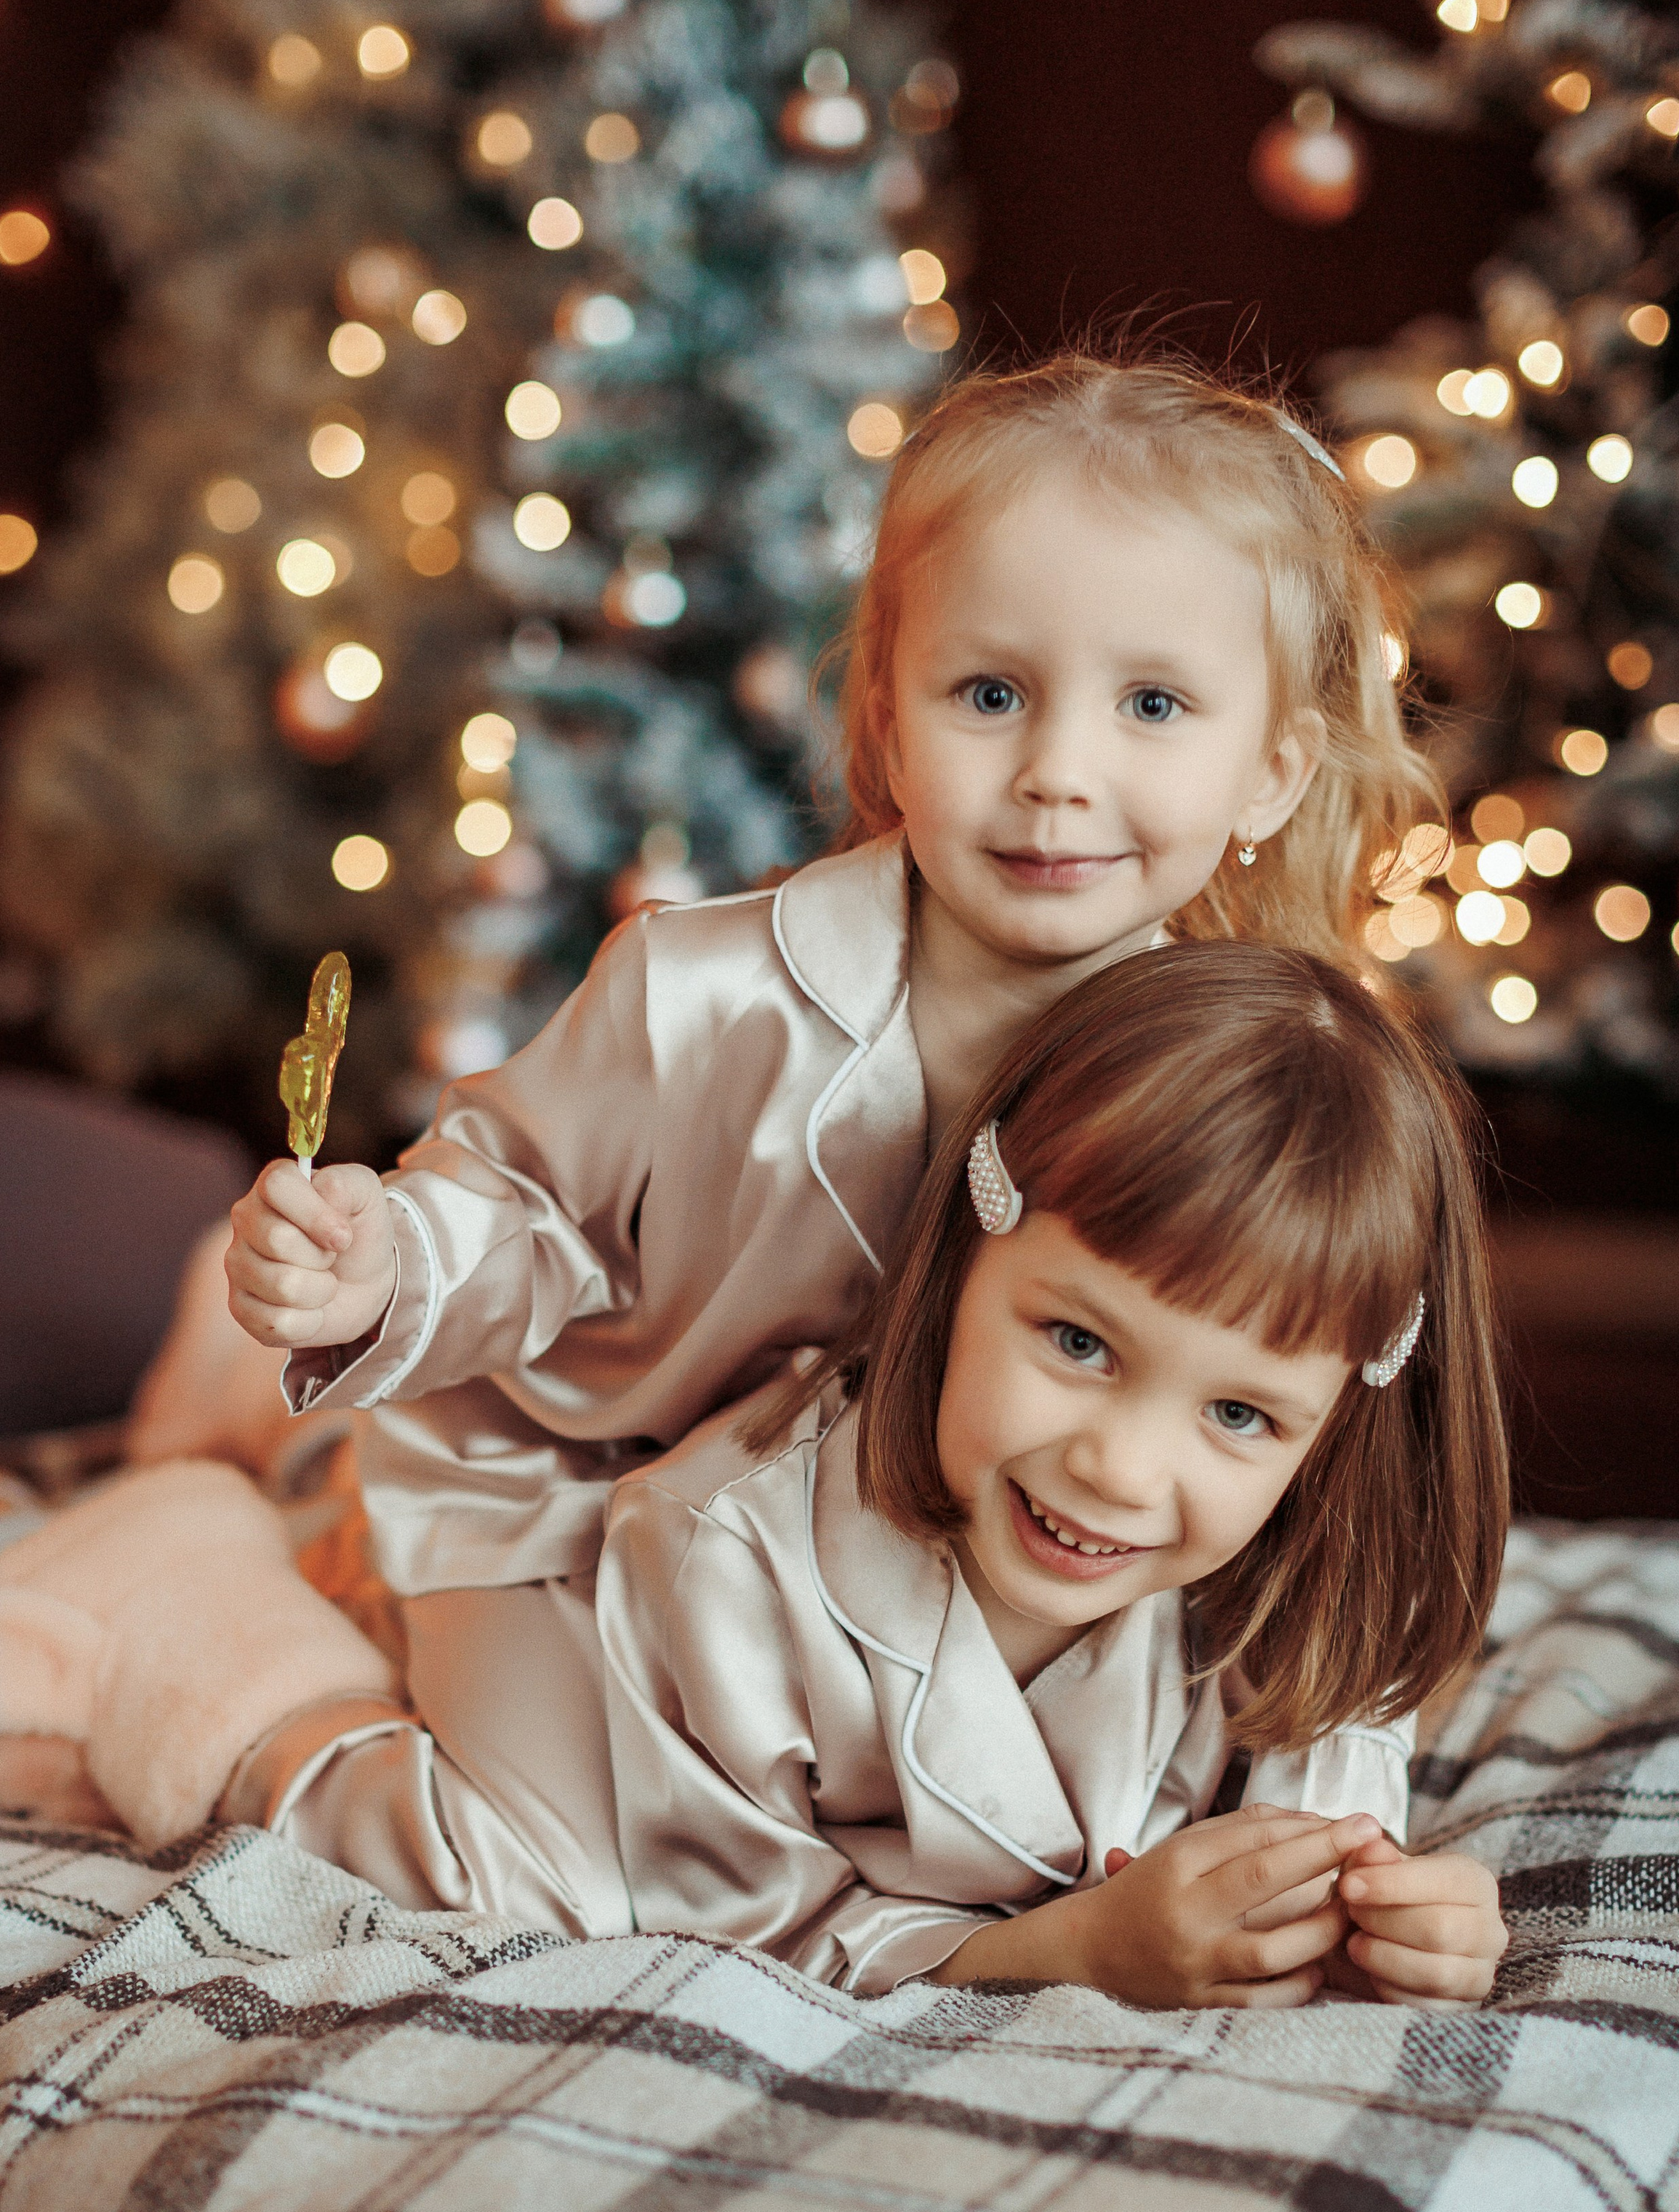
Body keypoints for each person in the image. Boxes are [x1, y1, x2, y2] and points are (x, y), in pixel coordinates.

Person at [220, 355, 1443, 1936]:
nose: (1059, 772)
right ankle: (223, 1655)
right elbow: (522, 1199)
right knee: (544, 1900)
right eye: (989, 693)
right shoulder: (704, 991)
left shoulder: (1232, 1089)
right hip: (574, 1502)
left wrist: (1331, 1864)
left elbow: (1331, 1488)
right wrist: (393, 1260)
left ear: (1269, 768)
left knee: (905, 1860)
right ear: (888, 706)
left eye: (1151, 705)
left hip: (860, 1574)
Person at [595, 943, 1509, 2006]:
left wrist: (1390, 1928)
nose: (1119, 1471)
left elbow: (1318, 1869)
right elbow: (721, 1930)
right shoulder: (721, 1552)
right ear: (966, 1257)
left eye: (1238, 1414)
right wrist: (1072, 1953)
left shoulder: (1317, 1574)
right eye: (1078, 1343)